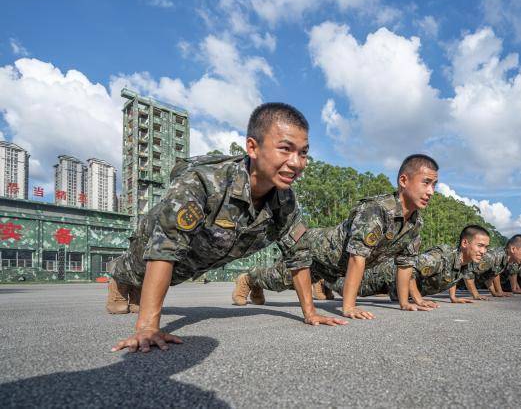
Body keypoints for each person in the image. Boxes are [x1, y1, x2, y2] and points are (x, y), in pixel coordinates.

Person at [109, 103, 344, 354]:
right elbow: (164, 248)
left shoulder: (285, 201)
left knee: (167, 279)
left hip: (194, 263)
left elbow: (299, 256)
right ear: (252, 147)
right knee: (130, 284)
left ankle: (139, 294)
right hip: (149, 254)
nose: (297, 163)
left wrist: (310, 313)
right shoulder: (204, 182)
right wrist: (147, 327)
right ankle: (120, 282)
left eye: (303, 153)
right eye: (285, 149)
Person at [236, 154, 440, 321]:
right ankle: (249, 278)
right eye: (426, 183)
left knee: (287, 283)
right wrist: (349, 307)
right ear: (404, 181)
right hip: (318, 250)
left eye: (434, 185)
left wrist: (405, 303)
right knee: (280, 279)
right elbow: (357, 257)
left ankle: (313, 283)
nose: (431, 191)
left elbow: (405, 264)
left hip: (337, 267)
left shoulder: (415, 223)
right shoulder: (377, 210)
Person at [320, 224, 491, 304]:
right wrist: (418, 299)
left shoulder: (465, 262)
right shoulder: (442, 257)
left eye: (486, 247)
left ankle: (326, 278)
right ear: (465, 244)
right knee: (354, 289)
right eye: (480, 245)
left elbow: (452, 275)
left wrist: (453, 297)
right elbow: (411, 268)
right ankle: (322, 278)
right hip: (387, 274)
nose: (483, 251)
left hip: (396, 286)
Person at [463, 234, 521, 299]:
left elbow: (488, 278)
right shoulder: (493, 257)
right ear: (513, 249)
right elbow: (467, 272)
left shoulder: (504, 260)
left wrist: (495, 293)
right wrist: (476, 295)